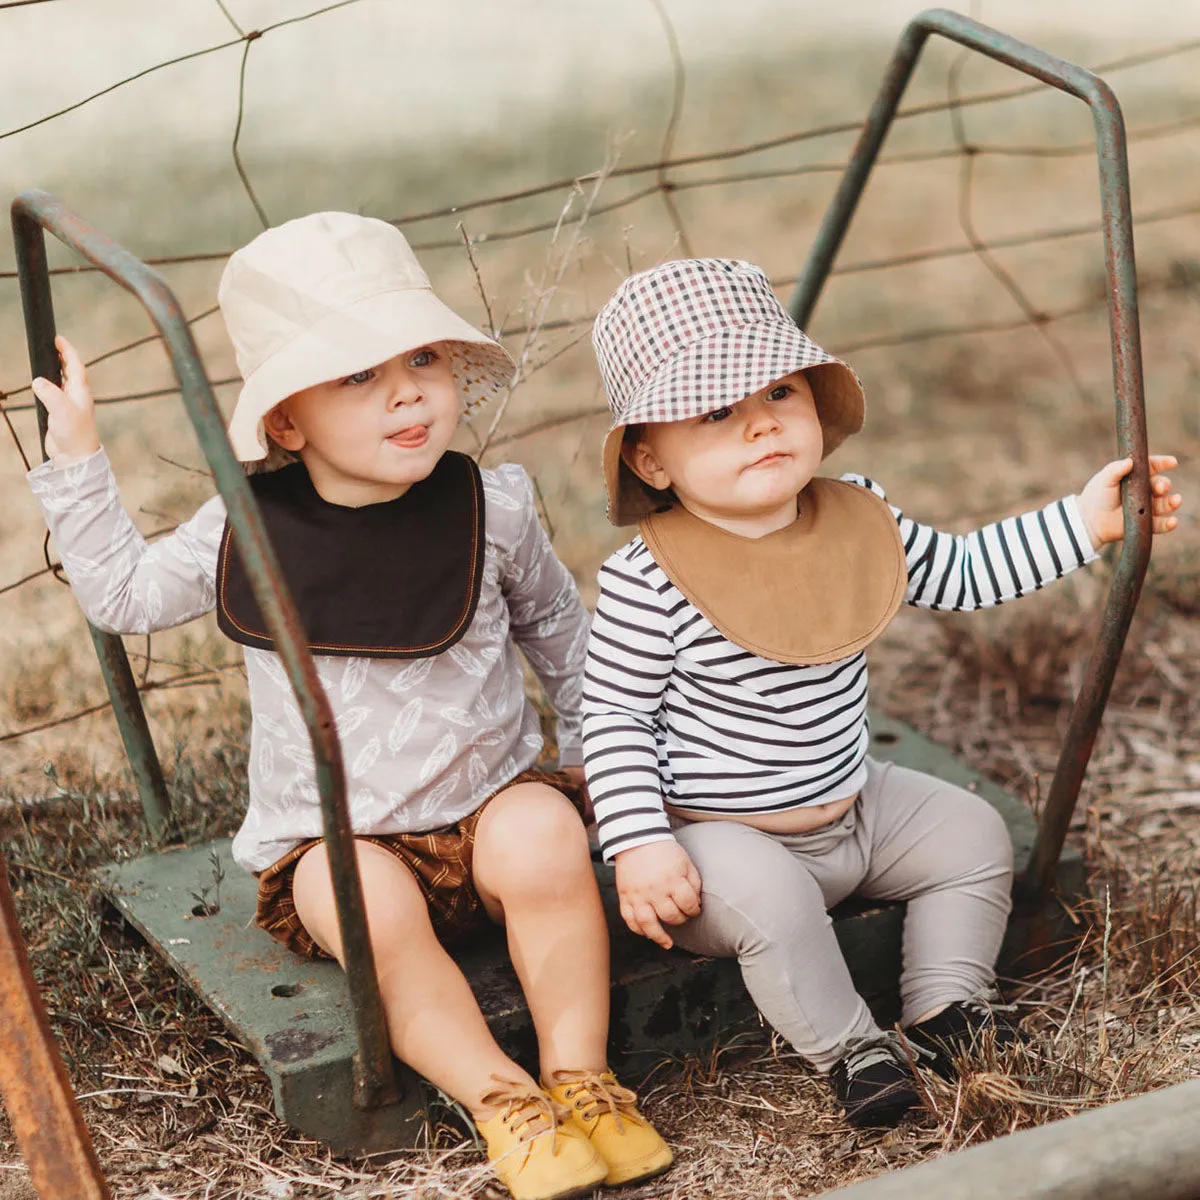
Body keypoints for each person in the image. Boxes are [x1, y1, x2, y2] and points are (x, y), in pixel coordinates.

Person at [28, 212, 672, 1200]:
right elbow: (123, 598)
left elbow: (564, 641)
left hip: (491, 810)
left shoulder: (490, 507)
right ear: (285, 421)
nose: (406, 389)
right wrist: (78, 459)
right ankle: (501, 1098)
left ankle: (583, 1076)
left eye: (420, 356)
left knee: (544, 834)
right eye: (358, 375)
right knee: (367, 903)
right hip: (340, 843)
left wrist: (601, 769)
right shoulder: (245, 526)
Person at [580, 256, 1182, 1128]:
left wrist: (1083, 522)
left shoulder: (859, 514)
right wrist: (639, 845)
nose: (761, 426)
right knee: (775, 905)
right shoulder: (648, 580)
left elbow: (969, 572)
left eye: (779, 393)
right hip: (717, 836)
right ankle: (853, 1052)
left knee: (973, 834)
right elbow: (616, 717)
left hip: (856, 803)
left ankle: (946, 1009)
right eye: (717, 411)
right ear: (650, 458)